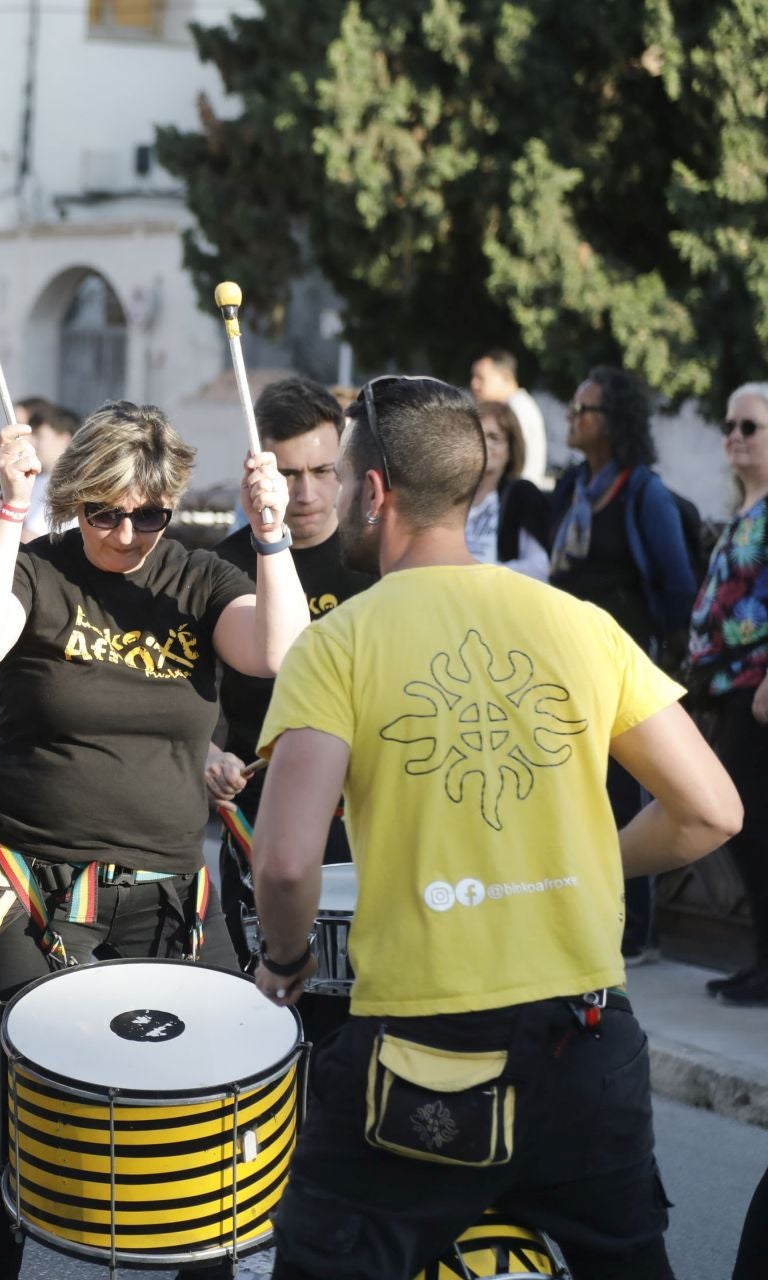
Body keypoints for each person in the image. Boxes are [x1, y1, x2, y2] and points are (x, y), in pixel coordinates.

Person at [248, 373, 741, 1279]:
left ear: (375, 491)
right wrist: (592, 866)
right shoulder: (577, 624)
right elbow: (712, 810)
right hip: (587, 1045)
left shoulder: (338, 644)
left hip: (416, 1057)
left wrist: (283, 963)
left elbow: (283, 865)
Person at [0, 400, 305, 1280]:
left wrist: (270, 536)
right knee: (18, 1092)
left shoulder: (192, 576)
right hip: (28, 883)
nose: (127, 532)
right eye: (104, 512)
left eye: (150, 513)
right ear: (75, 501)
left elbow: (284, 651)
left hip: (170, 889)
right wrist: (10, 507)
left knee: (202, 1095)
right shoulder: (36, 570)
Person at [202, 377, 376, 1000]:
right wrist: (207, 754)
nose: (305, 493)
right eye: (288, 474)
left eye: (323, 470)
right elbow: (185, 691)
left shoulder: (382, 563)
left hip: (370, 822)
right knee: (269, 1011)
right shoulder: (219, 569)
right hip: (260, 823)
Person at [549, 368, 699, 965]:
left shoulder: (643, 494)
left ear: (616, 422)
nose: (572, 418)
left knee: (622, 801)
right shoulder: (569, 489)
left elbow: (677, 585)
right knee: (571, 797)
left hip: (622, 671)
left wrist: (672, 663)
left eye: (584, 409)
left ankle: (635, 933)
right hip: (561, 668)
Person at [686, 382, 768, 1008]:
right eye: (731, 426)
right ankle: (760, 961)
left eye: (751, 427)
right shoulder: (747, 506)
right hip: (729, 688)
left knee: (755, 825)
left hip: (756, 688)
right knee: (748, 827)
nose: (735, 437)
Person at [466, 399, 553, 579]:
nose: (484, 444)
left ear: (511, 449)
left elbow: (540, 566)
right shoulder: (454, 494)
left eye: (494, 438)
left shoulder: (521, 495)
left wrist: (485, 573)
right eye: (477, 435)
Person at [470, 348, 547, 485]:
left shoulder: (517, 409)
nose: (474, 384)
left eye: (481, 378)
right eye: (473, 378)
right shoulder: (514, 406)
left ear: (506, 378)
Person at [13, 398, 79, 541]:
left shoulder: (67, 484)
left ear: (64, 439)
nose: (30, 442)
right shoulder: (39, 479)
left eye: (38, 436)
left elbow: (29, 537)